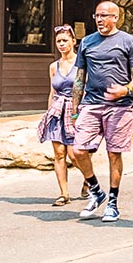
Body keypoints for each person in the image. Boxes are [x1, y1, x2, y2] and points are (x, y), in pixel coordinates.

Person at [69, 0, 133, 224]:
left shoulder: (128, 41)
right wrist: (75, 110)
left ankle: (112, 202)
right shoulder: (86, 42)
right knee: (77, 151)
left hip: (120, 107)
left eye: (104, 15)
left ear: (115, 17)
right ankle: (96, 190)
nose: (100, 20)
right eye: (97, 16)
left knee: (114, 153)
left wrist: (126, 89)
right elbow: (79, 78)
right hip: (91, 105)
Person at [38, 25, 81, 206]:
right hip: (57, 110)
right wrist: (48, 114)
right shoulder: (53, 67)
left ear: (73, 41)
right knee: (59, 153)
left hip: (75, 110)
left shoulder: (81, 64)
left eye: (65, 40)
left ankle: (88, 178)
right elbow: (52, 92)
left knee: (75, 154)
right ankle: (64, 193)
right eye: (58, 41)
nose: (62, 44)